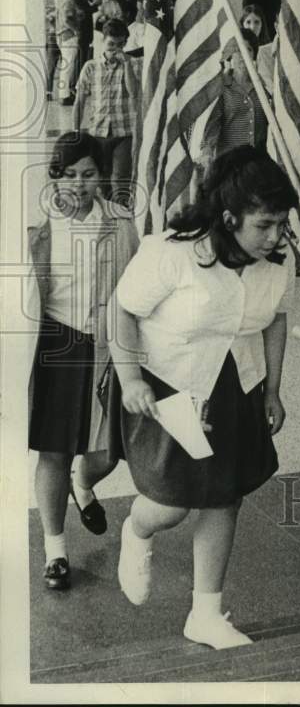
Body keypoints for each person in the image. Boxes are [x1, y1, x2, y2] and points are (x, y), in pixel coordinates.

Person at [109, 146, 298, 649]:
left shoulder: (276, 261)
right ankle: (137, 530)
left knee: (224, 497)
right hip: (169, 385)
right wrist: (130, 380)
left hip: (237, 386)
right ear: (229, 216)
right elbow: (122, 311)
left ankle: (206, 613)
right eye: (265, 224)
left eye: (282, 223)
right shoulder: (173, 254)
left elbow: (276, 319)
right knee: (171, 503)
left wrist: (273, 389)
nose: (276, 236)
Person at [26, 132, 138, 591]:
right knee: (53, 450)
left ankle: (85, 483)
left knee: (107, 449)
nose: (79, 183)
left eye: (89, 174)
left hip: (108, 344)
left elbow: (135, 287)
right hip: (56, 343)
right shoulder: (41, 227)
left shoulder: (121, 220)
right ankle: (55, 547)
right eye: (69, 174)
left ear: (103, 176)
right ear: (55, 176)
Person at [74, 18, 140, 206]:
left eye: (120, 45)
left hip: (124, 133)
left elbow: (134, 92)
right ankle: (106, 216)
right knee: (102, 179)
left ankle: (122, 217)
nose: (115, 49)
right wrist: (76, 132)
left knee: (121, 178)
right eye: (111, 44)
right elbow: (79, 102)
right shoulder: (90, 67)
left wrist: (126, 64)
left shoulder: (133, 64)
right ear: (102, 41)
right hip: (98, 132)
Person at [199, 30, 268, 167]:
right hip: (229, 163)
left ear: (254, 55)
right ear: (231, 55)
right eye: (239, 50)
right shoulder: (221, 87)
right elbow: (212, 124)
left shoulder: (263, 87)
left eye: (248, 50)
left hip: (258, 164)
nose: (244, 55)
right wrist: (207, 151)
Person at [54, 0, 86, 105]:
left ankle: (64, 93)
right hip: (68, 35)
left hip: (61, 35)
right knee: (68, 66)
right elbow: (67, 19)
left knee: (66, 66)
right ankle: (64, 95)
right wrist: (76, 30)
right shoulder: (68, 1)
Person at [239, 4, 274, 92]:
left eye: (257, 22)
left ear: (262, 24)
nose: (252, 27)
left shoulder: (269, 50)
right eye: (248, 22)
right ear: (242, 24)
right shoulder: (238, 49)